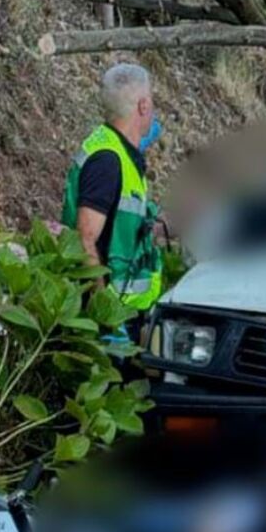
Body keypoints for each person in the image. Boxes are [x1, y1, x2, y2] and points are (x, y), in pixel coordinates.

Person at [61, 63, 164, 342]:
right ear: (143, 106)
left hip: (125, 313)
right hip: (106, 322)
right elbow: (86, 237)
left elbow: (120, 230)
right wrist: (103, 310)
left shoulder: (121, 154)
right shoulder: (108, 160)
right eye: (152, 101)